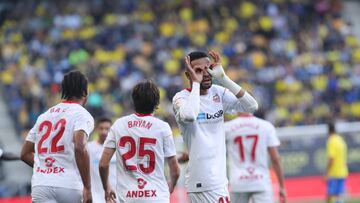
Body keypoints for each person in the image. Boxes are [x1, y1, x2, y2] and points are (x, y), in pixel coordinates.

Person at [172, 50, 258, 202]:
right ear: (188, 75)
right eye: (198, 70)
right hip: (205, 182)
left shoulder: (219, 92)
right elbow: (190, 115)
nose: (205, 73)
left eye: (208, 68)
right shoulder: (181, 97)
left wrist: (224, 79)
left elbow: (251, 107)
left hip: (217, 181)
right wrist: (196, 84)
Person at [99, 80, 180, 203]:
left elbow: (103, 164)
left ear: (134, 101)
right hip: (156, 196)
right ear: (156, 103)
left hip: (128, 197)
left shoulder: (119, 125)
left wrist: (106, 188)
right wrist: (172, 184)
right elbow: (175, 169)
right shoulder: (162, 127)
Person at [20, 70, 94, 203]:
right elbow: (80, 146)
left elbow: (25, 153)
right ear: (85, 92)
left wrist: (43, 168)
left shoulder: (44, 116)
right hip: (69, 184)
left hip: (41, 184)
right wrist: (87, 187)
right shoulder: (82, 114)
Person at [224, 111, 286, 203]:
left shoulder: (227, 127)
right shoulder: (266, 126)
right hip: (261, 181)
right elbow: (275, 159)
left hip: (238, 182)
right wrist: (282, 187)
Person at [88, 117, 116, 203]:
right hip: (95, 195)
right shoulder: (88, 147)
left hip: (115, 194)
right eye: (101, 128)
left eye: (107, 129)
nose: (104, 132)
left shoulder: (118, 149)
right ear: (96, 129)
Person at [326, 122, 348, 203]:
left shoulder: (332, 141)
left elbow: (331, 158)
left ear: (328, 131)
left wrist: (327, 173)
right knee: (339, 196)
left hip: (334, 172)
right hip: (343, 171)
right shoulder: (341, 140)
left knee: (330, 195)